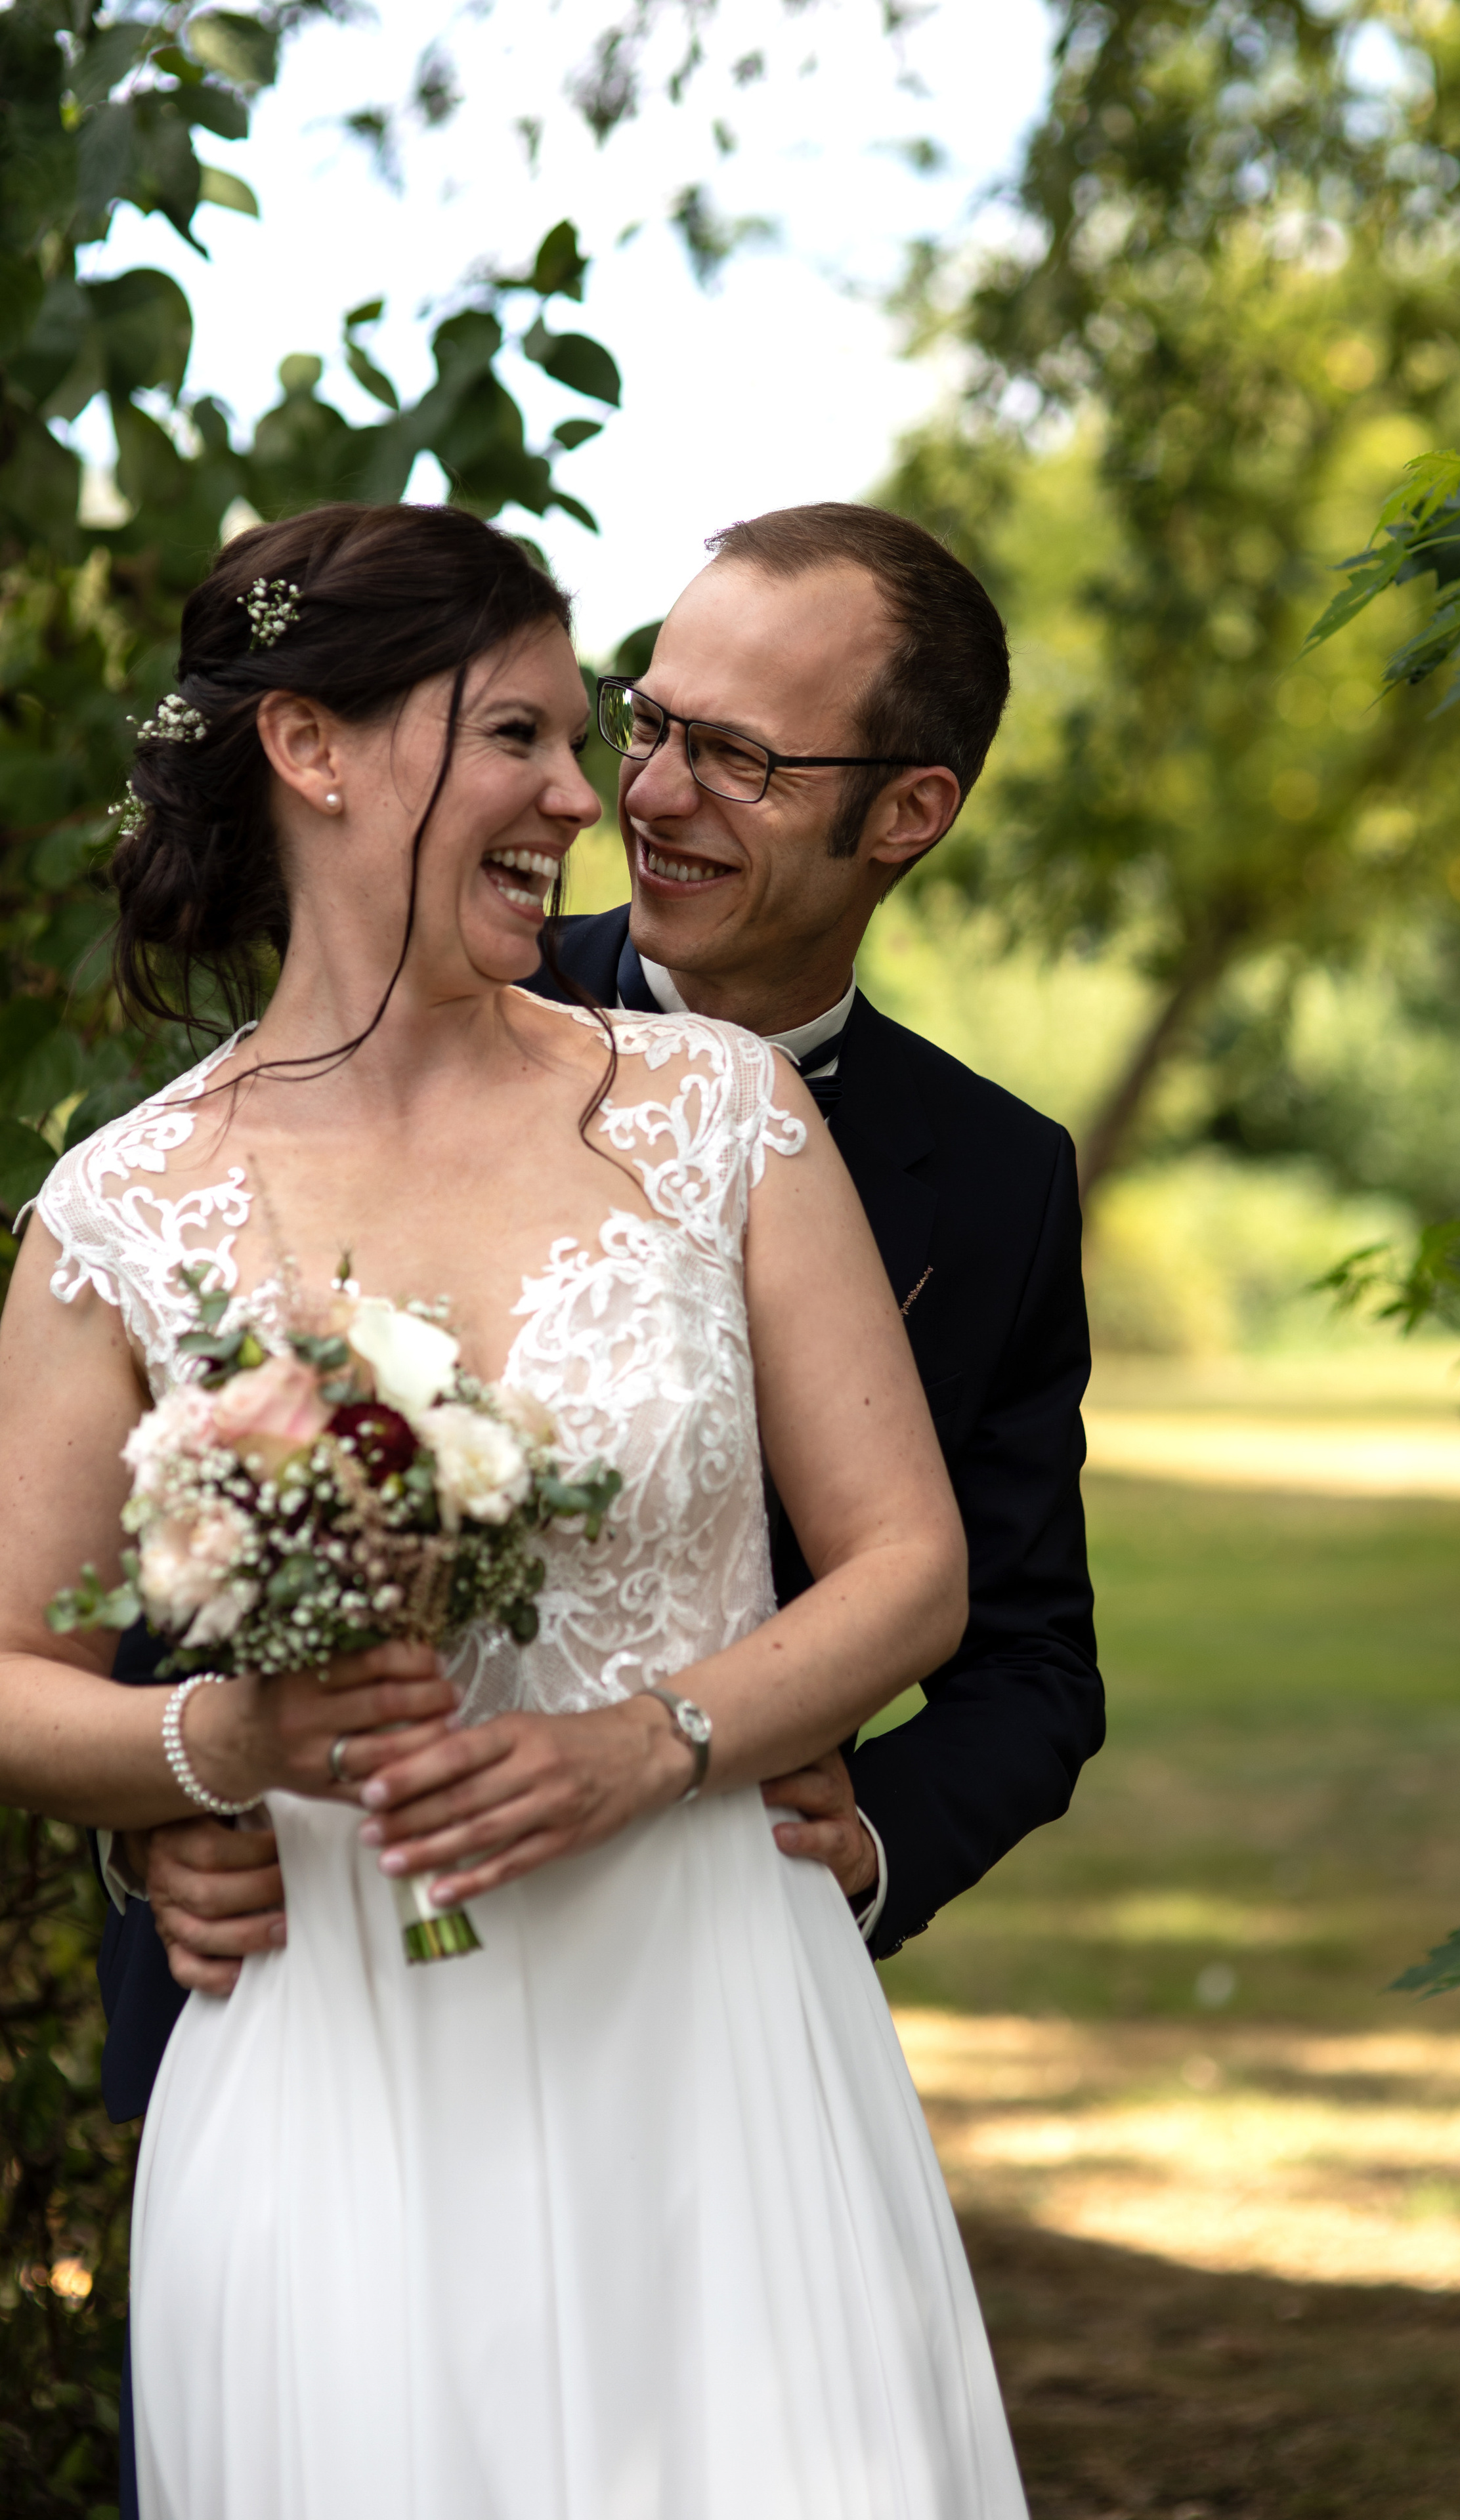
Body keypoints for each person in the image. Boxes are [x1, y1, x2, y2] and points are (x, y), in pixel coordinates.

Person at [0, 501, 1027, 2515]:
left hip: (717, 2040)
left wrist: (660, 1745)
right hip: (334, 2065)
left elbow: (919, 1570)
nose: (597, 795)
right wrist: (211, 1753)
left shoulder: (721, 1112)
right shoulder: (119, 1212)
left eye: (588, 737)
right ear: (311, 749)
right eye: (530, 738)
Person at [110, 504, 1103, 2073]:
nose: (639, 795)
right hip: (320, 1974)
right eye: (648, 722)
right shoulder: (398, 1000)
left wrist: (859, 1855)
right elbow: (197, 1486)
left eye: (741, 759)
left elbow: (1030, 1656)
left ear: (909, 812)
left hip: (699, 1978)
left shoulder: (993, 1181)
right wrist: (167, 1812)